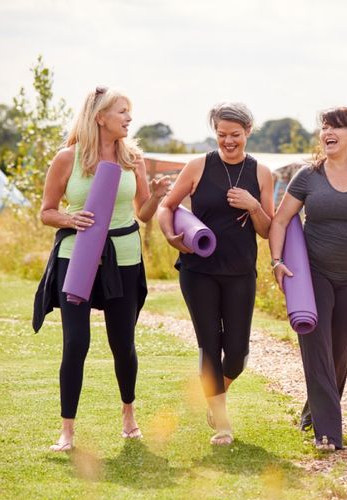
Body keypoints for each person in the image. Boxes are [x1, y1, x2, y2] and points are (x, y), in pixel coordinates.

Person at [33, 86, 169, 452]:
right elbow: (46, 211)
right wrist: (68, 217)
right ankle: (67, 430)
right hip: (76, 258)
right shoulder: (67, 159)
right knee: (76, 343)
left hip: (123, 256)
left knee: (122, 344)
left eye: (130, 111)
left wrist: (155, 196)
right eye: (122, 111)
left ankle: (128, 413)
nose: (129, 118)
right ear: (100, 117)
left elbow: (142, 213)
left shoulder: (133, 159)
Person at [269, 107, 347, 451]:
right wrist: (277, 261)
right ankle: (328, 433)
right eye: (324, 127)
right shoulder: (307, 177)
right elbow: (280, 221)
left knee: (339, 352)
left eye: (335, 127)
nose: (327, 132)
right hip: (314, 274)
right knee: (317, 347)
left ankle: (314, 410)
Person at [157, 102, 274, 445]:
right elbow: (167, 206)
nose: (228, 141)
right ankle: (222, 422)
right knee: (210, 345)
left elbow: (267, 230)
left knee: (236, 353)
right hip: (198, 270)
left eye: (235, 135)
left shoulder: (262, 173)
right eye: (221, 134)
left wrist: (253, 205)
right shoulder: (197, 166)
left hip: (240, 271)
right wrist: (169, 236)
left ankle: (214, 395)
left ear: (248, 132)